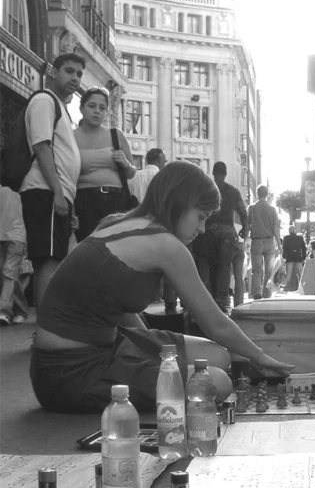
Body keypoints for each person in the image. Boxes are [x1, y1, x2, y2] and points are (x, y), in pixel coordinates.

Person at [30, 161, 294, 413]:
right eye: (200, 217)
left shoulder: (117, 223)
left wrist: (151, 356)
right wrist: (260, 357)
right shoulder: (167, 245)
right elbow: (216, 324)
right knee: (217, 382)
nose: (202, 229)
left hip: (101, 346)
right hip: (69, 372)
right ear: (178, 204)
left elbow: (114, 302)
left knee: (219, 357)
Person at [19, 53, 84, 310]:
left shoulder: (62, 108)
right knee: (47, 260)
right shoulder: (45, 101)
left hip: (56, 194)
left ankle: (48, 328)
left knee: (54, 260)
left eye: (78, 74)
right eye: (69, 71)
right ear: (53, 72)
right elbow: (42, 146)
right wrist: (58, 192)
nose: (75, 78)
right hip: (44, 192)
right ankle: (46, 330)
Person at [74, 86, 137, 242]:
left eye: (102, 108)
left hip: (115, 200)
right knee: (90, 248)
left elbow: (132, 173)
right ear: (81, 108)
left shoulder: (116, 135)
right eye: (92, 106)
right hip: (85, 202)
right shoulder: (71, 137)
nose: (97, 111)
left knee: (116, 247)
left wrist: (125, 164)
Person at [210, 162, 248, 312]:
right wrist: (245, 229)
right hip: (226, 230)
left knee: (209, 265)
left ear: (213, 172)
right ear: (225, 173)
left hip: (208, 231)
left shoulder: (207, 188)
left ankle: (210, 297)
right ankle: (222, 298)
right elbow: (243, 213)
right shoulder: (233, 191)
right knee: (225, 267)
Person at [0, 186, 29, 325]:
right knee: (8, 274)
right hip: (12, 235)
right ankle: (21, 310)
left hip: (15, 235)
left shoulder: (15, 186)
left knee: (8, 273)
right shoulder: (17, 187)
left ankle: (4, 312)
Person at [247, 184, 281, 299]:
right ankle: (267, 293)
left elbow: (247, 224)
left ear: (257, 194)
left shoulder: (251, 208)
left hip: (256, 240)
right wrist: (279, 245)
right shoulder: (271, 209)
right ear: (267, 194)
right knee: (269, 269)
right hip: (269, 241)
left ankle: (256, 292)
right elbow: (276, 227)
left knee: (256, 269)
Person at [282, 225, 307, 291]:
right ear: (295, 230)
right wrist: (304, 257)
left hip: (289, 258)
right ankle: (303, 289)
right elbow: (303, 248)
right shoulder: (300, 238)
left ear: (289, 231)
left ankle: (286, 289)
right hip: (298, 257)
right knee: (301, 274)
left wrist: (284, 256)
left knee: (288, 276)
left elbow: (284, 248)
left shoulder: (286, 238)